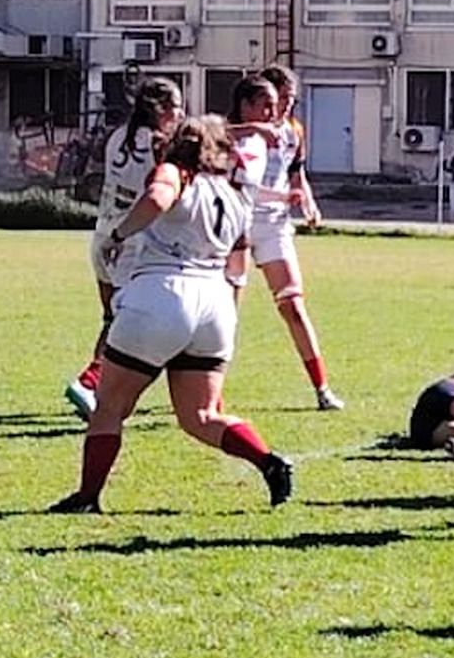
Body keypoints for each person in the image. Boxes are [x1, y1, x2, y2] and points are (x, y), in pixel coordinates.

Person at [50, 115, 293, 513]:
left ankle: (87, 496)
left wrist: (117, 235)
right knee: (201, 416)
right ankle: (268, 461)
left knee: (110, 407)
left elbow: (157, 198)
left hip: (161, 294)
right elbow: (239, 257)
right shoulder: (233, 192)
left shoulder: (176, 172)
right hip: (215, 302)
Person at [66, 77, 184, 420]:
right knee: (124, 324)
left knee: (110, 318)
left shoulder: (118, 135)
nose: (180, 114)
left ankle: (99, 391)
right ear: (160, 109)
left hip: (102, 235)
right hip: (128, 242)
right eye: (176, 107)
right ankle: (89, 381)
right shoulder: (160, 144)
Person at [231, 66, 344, 411]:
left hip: (275, 224)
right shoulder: (240, 132)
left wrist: (308, 202)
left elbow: (296, 175)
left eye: (290, 102)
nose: (283, 109)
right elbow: (238, 180)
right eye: (279, 101)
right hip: (237, 222)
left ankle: (322, 389)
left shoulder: (293, 132)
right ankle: (207, 388)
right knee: (225, 310)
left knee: (293, 305)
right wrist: (283, 197)